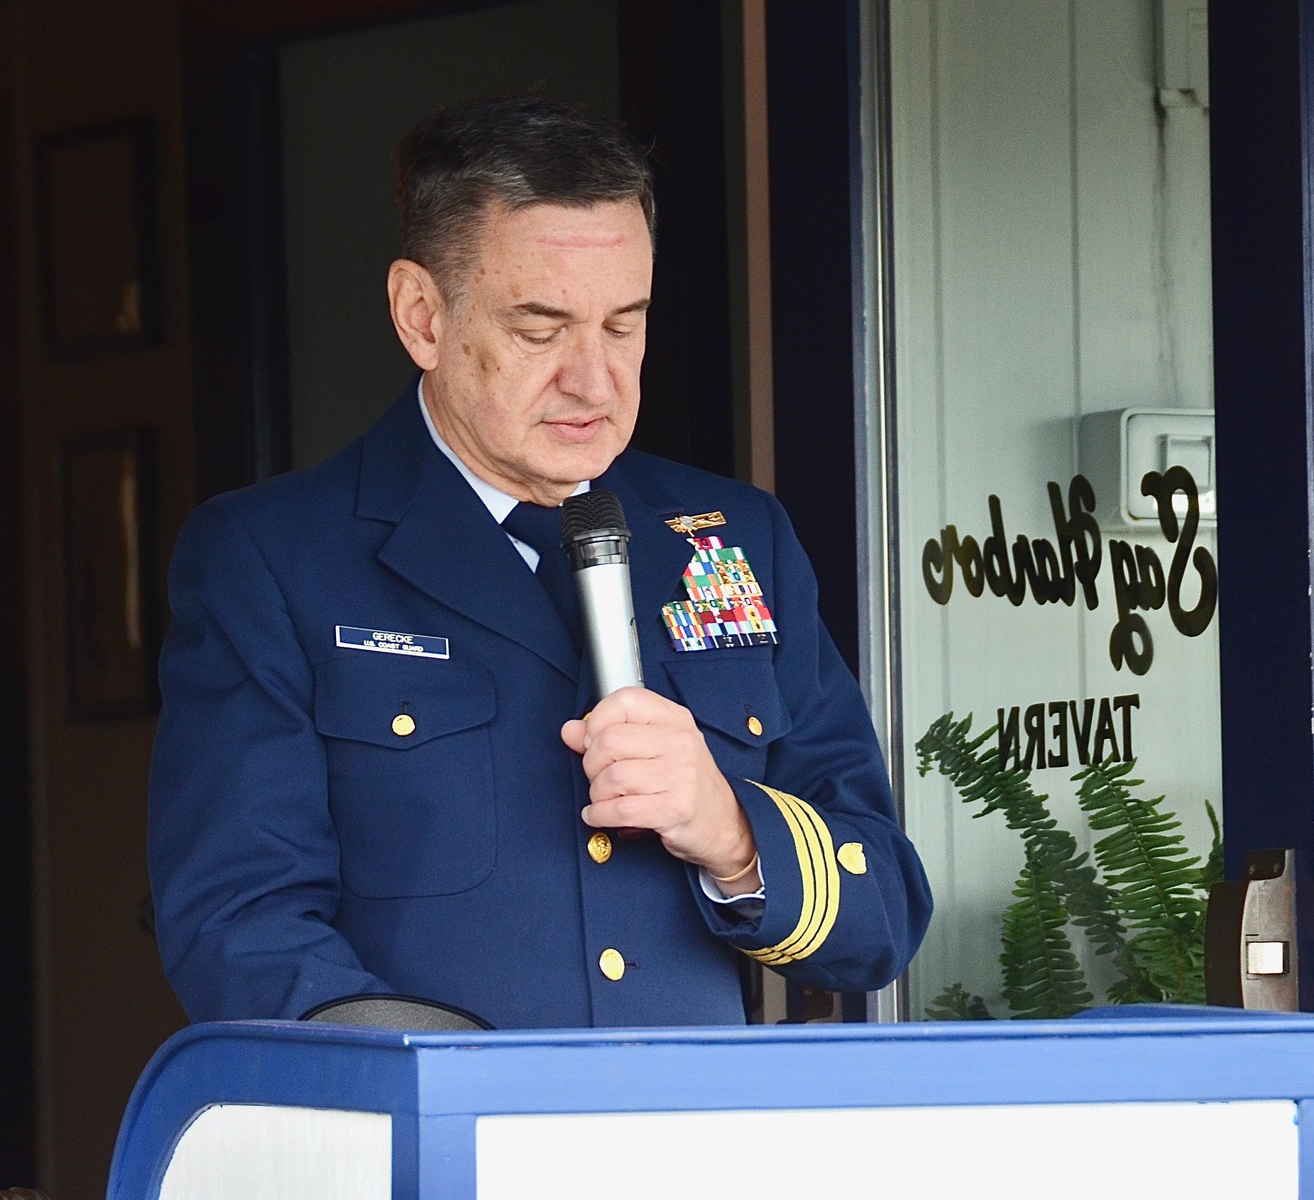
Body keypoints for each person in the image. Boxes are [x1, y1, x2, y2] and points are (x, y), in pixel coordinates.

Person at [148, 94, 931, 1028]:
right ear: (422, 316)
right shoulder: (275, 560)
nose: (594, 380)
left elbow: (882, 913)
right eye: (539, 328)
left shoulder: (733, 538)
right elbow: (239, 926)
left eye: (624, 324)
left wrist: (729, 831)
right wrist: (459, 1098)